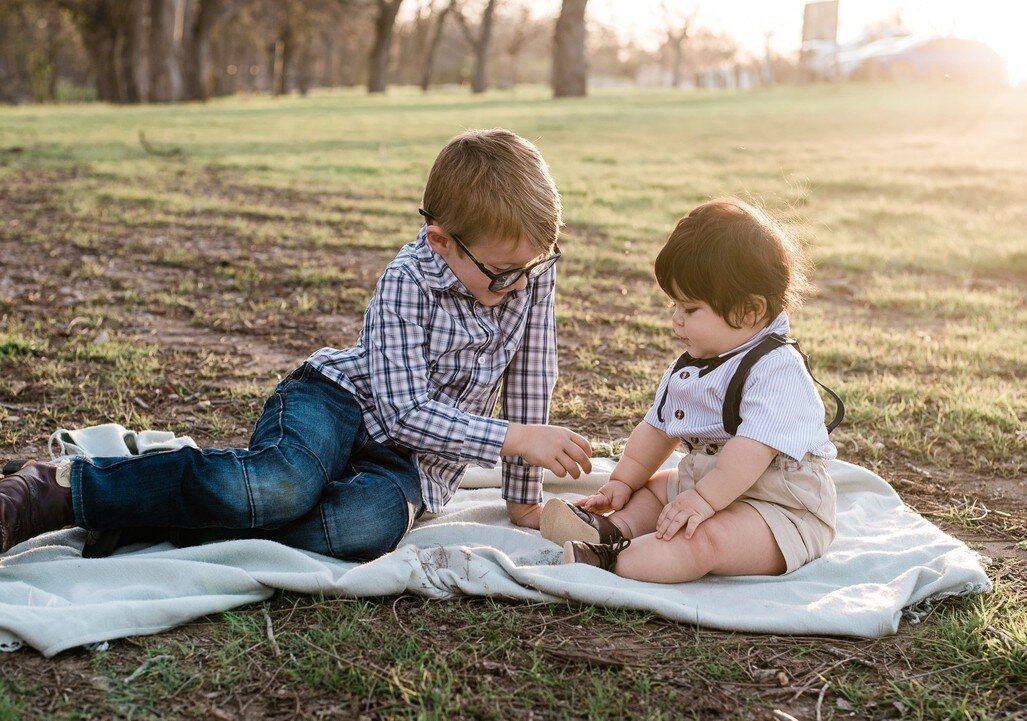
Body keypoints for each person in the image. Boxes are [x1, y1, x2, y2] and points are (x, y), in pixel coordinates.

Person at [0, 128, 592, 560]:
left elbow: (531, 379)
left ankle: (141, 510)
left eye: (533, 267)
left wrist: (523, 501)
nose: (519, 283)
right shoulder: (407, 280)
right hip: (335, 404)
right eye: (502, 272)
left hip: (413, 464)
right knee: (278, 486)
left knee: (358, 531)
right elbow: (403, 412)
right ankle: (53, 490)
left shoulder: (527, 273)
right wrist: (515, 438)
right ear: (441, 242)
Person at [539, 197, 841, 582]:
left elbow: (750, 453)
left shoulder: (777, 368)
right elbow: (657, 429)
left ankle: (611, 563)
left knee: (702, 537)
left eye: (691, 309)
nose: (675, 320)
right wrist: (623, 482)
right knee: (653, 490)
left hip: (779, 509)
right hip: (709, 482)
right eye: (674, 305)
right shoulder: (694, 364)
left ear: (749, 311)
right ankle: (614, 531)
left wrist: (702, 501)